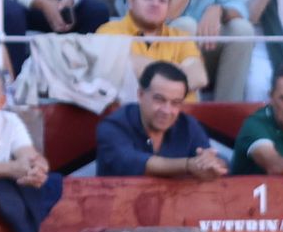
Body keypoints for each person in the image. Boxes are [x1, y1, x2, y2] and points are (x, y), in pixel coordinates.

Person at [95, 60, 227, 177]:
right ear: (140, 95)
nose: (166, 110)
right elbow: (135, 163)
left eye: (175, 103)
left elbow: (215, 163)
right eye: (159, 99)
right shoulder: (112, 127)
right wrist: (188, 165)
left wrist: (213, 164)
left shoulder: (187, 125)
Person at [96, 0, 208, 98]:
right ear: (131, 1)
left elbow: (198, 77)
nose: (155, 3)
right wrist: (178, 71)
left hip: (183, 117)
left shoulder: (182, 37)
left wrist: (145, 72)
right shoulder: (109, 31)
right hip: (132, 117)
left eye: (162, 0)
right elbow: (127, 63)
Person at [160, 0, 256, 101]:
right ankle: (189, 109)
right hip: (160, 49)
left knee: (242, 30)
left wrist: (220, 10)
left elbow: (240, 8)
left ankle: (229, 111)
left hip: (207, 50)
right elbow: (161, 17)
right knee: (186, 26)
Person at [0, 61, 48, 187]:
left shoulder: (10, 122)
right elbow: (16, 167)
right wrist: (12, 168)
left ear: (1, 102)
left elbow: (30, 156)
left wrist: (36, 169)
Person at [0, 0, 112, 74]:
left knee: (97, 11)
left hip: (62, 5)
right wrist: (41, 3)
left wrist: (69, 2)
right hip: (24, 6)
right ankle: (14, 83)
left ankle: (84, 78)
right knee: (10, 12)